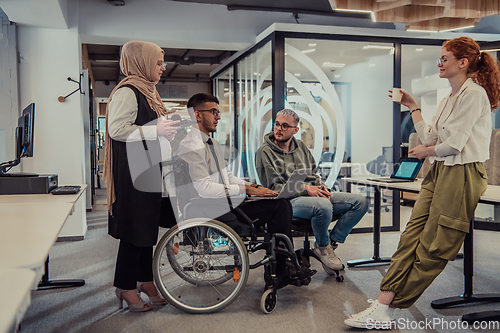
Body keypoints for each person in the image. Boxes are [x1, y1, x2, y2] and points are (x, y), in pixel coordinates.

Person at [345, 36, 500, 329]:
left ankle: (388, 303)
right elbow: (430, 136)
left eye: (444, 58)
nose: (439, 63)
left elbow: (453, 144)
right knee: (410, 236)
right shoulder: (448, 97)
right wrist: (413, 105)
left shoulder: (474, 95)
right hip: (440, 172)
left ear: (462, 63)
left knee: (435, 245)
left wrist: (427, 151)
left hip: (462, 173)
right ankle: (384, 300)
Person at [176, 93, 311, 285]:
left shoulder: (211, 142)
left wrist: (253, 187)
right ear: (197, 115)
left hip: (224, 203)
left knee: (275, 201)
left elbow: (227, 176)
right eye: (214, 112)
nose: (218, 117)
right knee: (281, 207)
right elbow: (204, 188)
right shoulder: (191, 146)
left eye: (218, 112)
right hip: (213, 208)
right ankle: (280, 270)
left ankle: (281, 264)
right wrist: (245, 190)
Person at [102, 41, 180, 312]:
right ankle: (125, 287)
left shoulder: (148, 91)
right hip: (134, 174)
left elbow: (150, 127)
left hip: (147, 171)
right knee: (134, 232)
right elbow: (117, 130)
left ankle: (145, 280)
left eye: (162, 62)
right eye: (158, 62)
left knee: (145, 230)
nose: (163, 67)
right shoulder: (128, 91)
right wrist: (156, 130)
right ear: (141, 62)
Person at [256, 109, 368, 271]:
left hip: (309, 196)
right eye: (277, 124)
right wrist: (307, 189)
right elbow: (274, 189)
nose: (279, 129)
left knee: (360, 202)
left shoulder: (300, 146)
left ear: (295, 130)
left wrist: (322, 188)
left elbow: (312, 174)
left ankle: (329, 243)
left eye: (285, 126)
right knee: (322, 206)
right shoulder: (264, 151)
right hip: (283, 203)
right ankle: (323, 247)